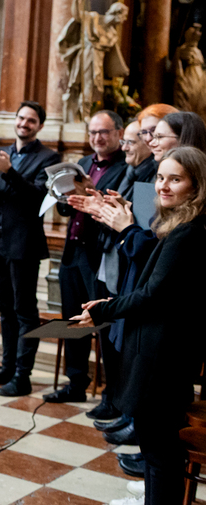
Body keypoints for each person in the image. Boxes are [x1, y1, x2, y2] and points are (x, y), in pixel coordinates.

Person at [73, 146, 206, 505]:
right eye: (160, 177)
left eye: (175, 179)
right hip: (162, 352)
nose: (163, 186)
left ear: (196, 186)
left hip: (163, 357)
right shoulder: (181, 227)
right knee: (156, 452)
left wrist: (105, 309)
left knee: (160, 454)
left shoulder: (189, 233)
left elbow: (153, 295)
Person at [0, 101, 61, 396]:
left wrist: (7, 170)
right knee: (5, 309)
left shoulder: (49, 157)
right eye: (21, 118)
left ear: (40, 126)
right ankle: (7, 367)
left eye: (31, 120)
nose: (24, 123)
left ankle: (23, 376)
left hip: (24, 244)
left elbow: (37, 197)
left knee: (25, 311)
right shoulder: (3, 153)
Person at [45, 110, 127, 407]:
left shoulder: (125, 168)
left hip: (99, 254)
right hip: (73, 250)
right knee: (73, 320)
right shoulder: (83, 163)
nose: (97, 138)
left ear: (119, 133)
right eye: (93, 132)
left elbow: (119, 212)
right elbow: (67, 209)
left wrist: (94, 195)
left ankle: (112, 394)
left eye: (103, 132)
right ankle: (76, 383)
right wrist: (64, 197)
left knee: (102, 321)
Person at [117, 118, 157, 201]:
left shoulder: (156, 176)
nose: (124, 148)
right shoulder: (128, 171)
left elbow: (144, 207)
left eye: (130, 142)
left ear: (148, 144)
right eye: (123, 142)